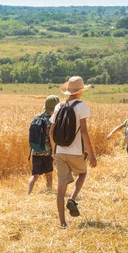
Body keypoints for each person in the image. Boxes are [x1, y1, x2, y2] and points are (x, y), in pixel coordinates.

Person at [49, 76, 97, 228]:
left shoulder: (58, 107)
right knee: (82, 174)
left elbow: (51, 132)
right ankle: (72, 199)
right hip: (75, 151)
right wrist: (91, 154)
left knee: (60, 188)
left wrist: (54, 152)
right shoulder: (82, 106)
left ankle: (63, 223)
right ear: (81, 91)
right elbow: (83, 131)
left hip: (60, 151)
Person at [27, 95, 60, 195]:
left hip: (35, 150)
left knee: (34, 175)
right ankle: (49, 192)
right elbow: (51, 138)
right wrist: (54, 152)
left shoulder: (37, 117)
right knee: (49, 174)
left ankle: (28, 194)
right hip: (47, 152)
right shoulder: (52, 120)